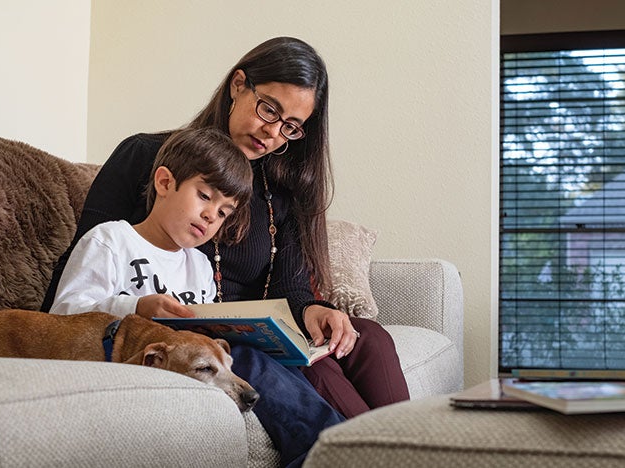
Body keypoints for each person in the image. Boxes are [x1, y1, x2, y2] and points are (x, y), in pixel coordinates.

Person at [42, 37, 408, 466]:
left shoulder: (279, 193)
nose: (273, 133)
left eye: (291, 126)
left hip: (253, 326)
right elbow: (78, 275)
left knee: (369, 337)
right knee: (318, 373)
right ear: (239, 85)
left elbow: (291, 286)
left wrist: (313, 310)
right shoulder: (145, 157)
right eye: (269, 109)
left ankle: (418, 448)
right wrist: (137, 308)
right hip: (196, 333)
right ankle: (378, 455)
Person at [49, 127, 252, 317]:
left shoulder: (200, 267)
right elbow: (64, 315)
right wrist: (135, 309)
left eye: (223, 213)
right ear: (164, 183)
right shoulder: (110, 241)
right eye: (205, 196)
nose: (212, 216)